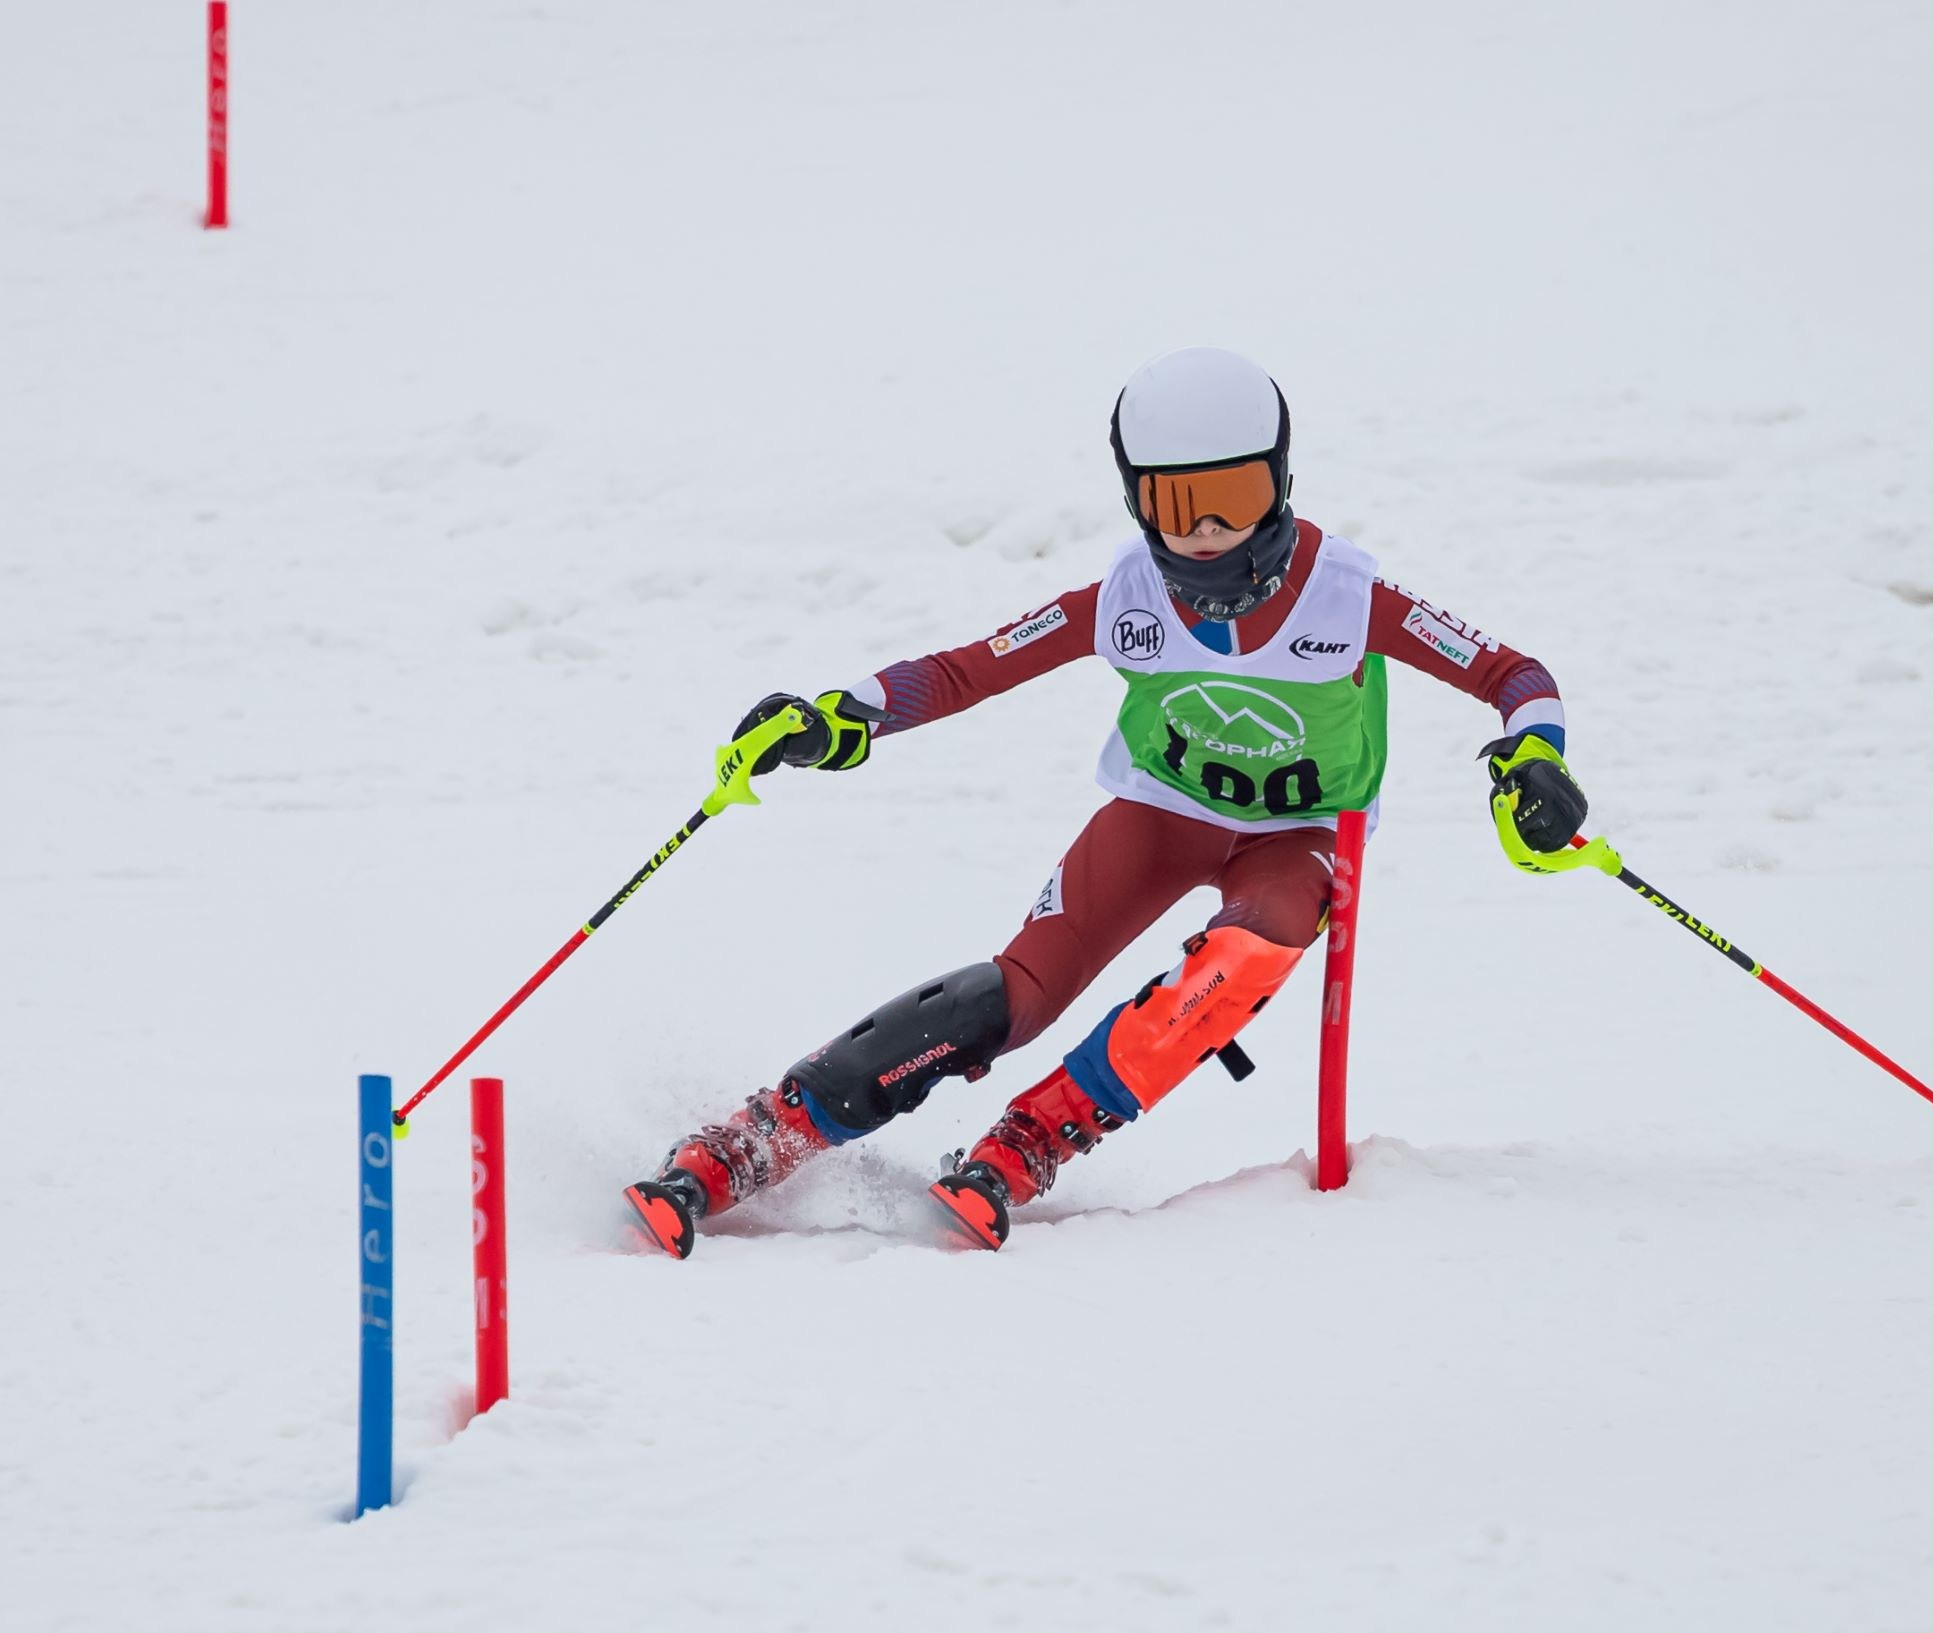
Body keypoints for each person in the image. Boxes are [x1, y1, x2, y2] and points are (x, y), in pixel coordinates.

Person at [622, 348, 1592, 1256]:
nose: (1206, 531)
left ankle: (1028, 1141)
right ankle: (754, 1139)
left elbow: (1516, 672)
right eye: (1177, 504)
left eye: (1233, 498)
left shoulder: (1347, 596)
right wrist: (844, 717)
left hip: (1294, 837)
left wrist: (1532, 758)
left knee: (1251, 948)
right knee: (1017, 994)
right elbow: (966, 670)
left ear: (1281, 482)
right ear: (1137, 500)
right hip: (1161, 814)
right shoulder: (1126, 598)